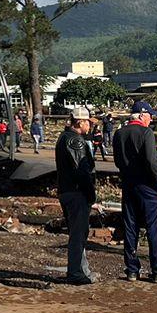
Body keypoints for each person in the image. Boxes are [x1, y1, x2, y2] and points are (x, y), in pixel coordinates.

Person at [113, 100, 157, 281]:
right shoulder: (146, 133)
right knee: (154, 228)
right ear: (142, 115)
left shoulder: (119, 133)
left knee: (130, 227)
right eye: (150, 116)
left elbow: (117, 161)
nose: (151, 119)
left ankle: (132, 270)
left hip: (129, 184)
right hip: (148, 186)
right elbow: (151, 161)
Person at [54, 106, 98, 285]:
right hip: (76, 192)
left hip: (67, 190)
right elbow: (82, 170)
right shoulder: (75, 141)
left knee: (77, 232)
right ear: (80, 122)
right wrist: (90, 193)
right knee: (78, 234)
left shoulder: (64, 137)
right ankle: (76, 272)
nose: (90, 126)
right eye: (88, 122)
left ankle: (81, 270)